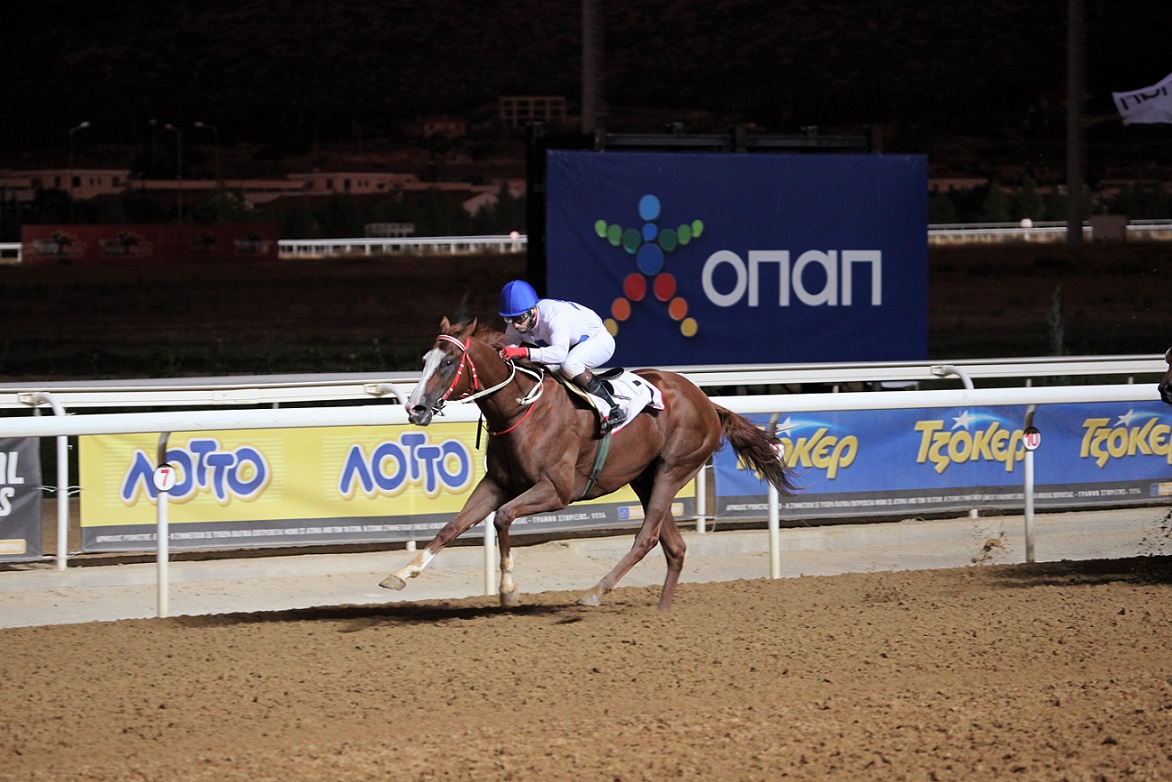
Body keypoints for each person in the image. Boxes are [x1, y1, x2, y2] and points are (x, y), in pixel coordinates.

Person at [497, 279, 626, 432]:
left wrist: (523, 352)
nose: (516, 325)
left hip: (598, 340)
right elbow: (508, 346)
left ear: (533, 310)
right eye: (510, 319)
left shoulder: (552, 314)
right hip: (571, 347)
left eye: (519, 318)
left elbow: (559, 354)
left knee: (569, 365)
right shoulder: (518, 321)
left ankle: (613, 408)